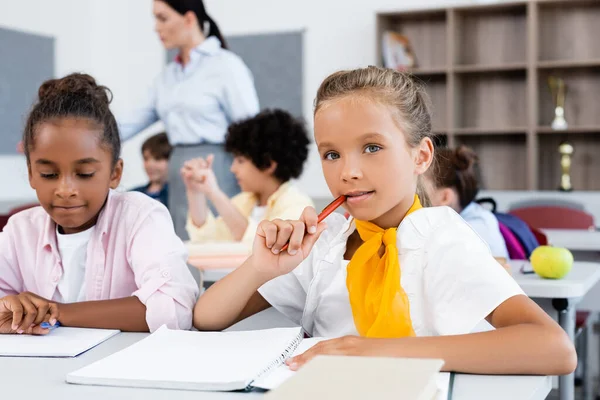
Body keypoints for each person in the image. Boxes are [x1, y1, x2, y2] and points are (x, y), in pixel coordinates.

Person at [192, 67, 575, 376]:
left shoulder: (440, 238)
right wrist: (259, 267)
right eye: (331, 154)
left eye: (372, 148)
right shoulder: (326, 244)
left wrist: (372, 352)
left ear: (421, 156)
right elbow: (207, 318)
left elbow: (554, 349)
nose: (348, 172)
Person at [0, 73, 198, 335]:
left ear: (115, 173)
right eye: (49, 174)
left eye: (84, 174)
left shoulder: (141, 217)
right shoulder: (20, 231)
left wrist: (56, 311)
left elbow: (174, 310)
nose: (65, 190)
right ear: (31, 174)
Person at [118, 0, 259, 239]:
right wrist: (80, 136)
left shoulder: (226, 66)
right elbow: (128, 123)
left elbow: (252, 132)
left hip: (218, 170)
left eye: (162, 18)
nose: (156, 27)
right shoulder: (167, 76)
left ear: (189, 19)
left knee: (220, 243)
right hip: (179, 172)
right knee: (182, 247)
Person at [182, 109, 314, 244]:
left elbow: (260, 245)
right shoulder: (242, 202)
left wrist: (214, 193)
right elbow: (208, 240)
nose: (233, 168)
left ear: (268, 164)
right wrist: (195, 191)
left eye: (240, 161)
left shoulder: (296, 204)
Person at [423, 145, 510, 260]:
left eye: (420, 190)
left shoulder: (470, 230)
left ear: (445, 197)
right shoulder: (471, 213)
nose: (414, 196)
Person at [131, 132, 171, 209]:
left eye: (157, 159)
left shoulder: (177, 196)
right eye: (146, 158)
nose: (150, 165)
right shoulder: (134, 194)